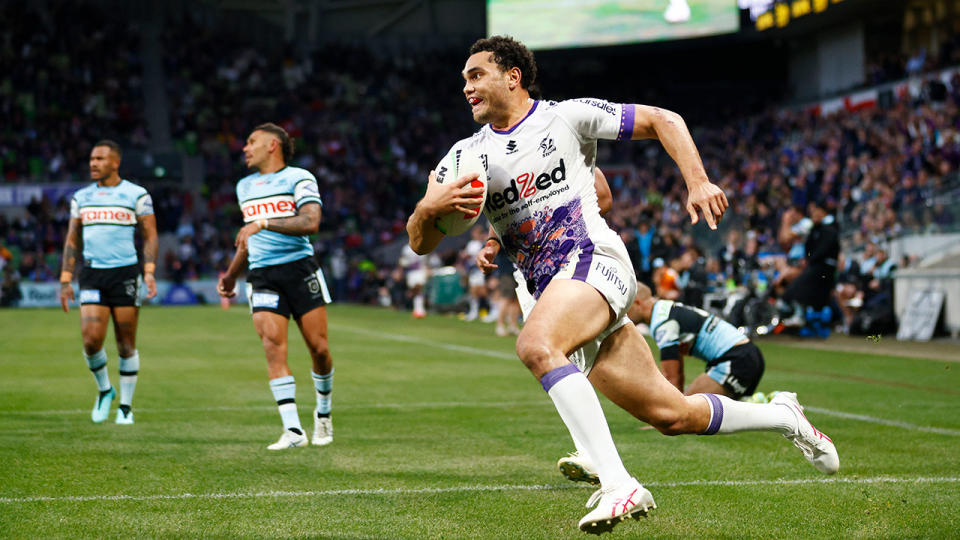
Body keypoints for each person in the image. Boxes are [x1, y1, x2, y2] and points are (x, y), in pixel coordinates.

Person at [409, 36, 837, 534]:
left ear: (513, 76)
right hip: (551, 291)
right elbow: (420, 241)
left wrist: (697, 180)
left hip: (595, 262)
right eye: (463, 79)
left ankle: (618, 484)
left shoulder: (566, 117)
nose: (466, 86)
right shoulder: (465, 156)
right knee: (672, 414)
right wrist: (428, 211)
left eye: (476, 74)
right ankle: (783, 415)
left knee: (537, 346)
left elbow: (663, 120)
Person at [218, 123, 335, 450]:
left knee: (320, 349)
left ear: (273, 145)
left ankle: (323, 414)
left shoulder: (300, 178)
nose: (245, 148)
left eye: (251, 141)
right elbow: (248, 237)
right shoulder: (243, 187)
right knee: (272, 345)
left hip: (300, 270)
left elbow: (310, 222)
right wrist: (230, 274)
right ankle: (293, 431)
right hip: (262, 274)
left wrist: (265, 221)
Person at [59, 140, 158, 425]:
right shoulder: (81, 197)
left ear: (115, 163)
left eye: (100, 158)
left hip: (125, 274)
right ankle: (105, 390)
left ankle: (125, 407)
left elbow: (150, 235)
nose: (93, 163)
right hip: (92, 274)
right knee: (91, 341)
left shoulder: (136, 195)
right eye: (91, 158)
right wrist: (66, 278)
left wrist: (149, 271)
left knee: (126, 343)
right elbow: (71, 239)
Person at [628, 282, 764, 401]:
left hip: (736, 360)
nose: (624, 314)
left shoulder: (662, 322)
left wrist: (667, 416)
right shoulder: (666, 308)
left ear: (637, 303)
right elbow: (677, 374)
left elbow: (672, 376)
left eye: (626, 307)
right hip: (748, 354)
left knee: (687, 412)